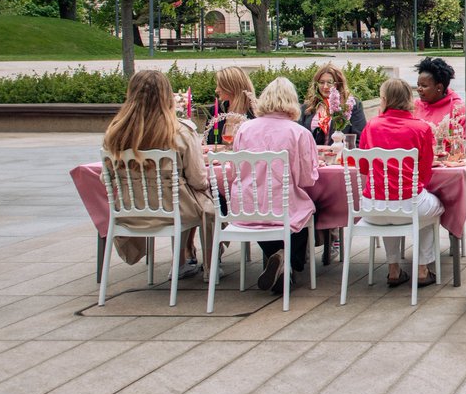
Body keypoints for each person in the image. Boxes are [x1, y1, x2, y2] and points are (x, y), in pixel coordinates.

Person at [103, 69, 214, 279]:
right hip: (174, 210)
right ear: (166, 95)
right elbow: (198, 179)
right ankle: (210, 266)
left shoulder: (115, 133)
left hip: (130, 210)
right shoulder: (180, 131)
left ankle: (181, 262)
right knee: (208, 205)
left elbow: (106, 179)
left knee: (185, 197)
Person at [228, 77, 320, 295]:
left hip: (246, 207)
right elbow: (307, 180)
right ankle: (287, 261)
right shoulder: (298, 133)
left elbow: (234, 172)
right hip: (282, 208)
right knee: (309, 210)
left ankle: (278, 259)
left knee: (263, 217)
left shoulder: (244, 129)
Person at [358, 78, 445, 288]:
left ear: (384, 99)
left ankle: (393, 269)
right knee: (431, 208)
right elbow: (425, 174)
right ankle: (423, 268)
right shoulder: (420, 128)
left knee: (389, 203)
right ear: (409, 99)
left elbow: (362, 168)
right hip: (408, 204)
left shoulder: (371, 126)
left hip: (373, 209)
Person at [299, 63, 367, 146]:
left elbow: (360, 139)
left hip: (340, 156)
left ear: (338, 84)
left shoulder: (351, 105)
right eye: (321, 82)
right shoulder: (308, 107)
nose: (325, 86)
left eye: (329, 82)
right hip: (312, 156)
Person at [413, 57, 466, 145]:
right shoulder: (415, 106)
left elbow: (462, 144)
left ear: (439, 87)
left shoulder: (457, 110)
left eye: (424, 86)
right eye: (418, 85)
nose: (419, 89)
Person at [206, 67, 257, 146]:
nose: (216, 90)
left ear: (231, 87)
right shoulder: (216, 110)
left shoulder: (256, 112)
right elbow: (208, 143)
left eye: (219, 86)